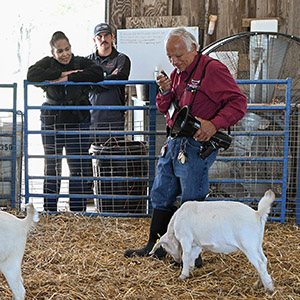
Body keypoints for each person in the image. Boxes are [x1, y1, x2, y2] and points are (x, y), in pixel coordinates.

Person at [124, 28, 247, 262]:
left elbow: (239, 103)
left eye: (178, 55)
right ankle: (157, 245)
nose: (174, 61)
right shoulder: (178, 73)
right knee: (162, 193)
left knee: (192, 200)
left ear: (194, 48)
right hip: (174, 142)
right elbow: (164, 108)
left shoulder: (212, 70)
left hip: (196, 145)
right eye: (170, 56)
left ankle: (192, 256)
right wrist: (165, 90)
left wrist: (214, 124)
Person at [26, 31, 104, 212]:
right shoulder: (48, 63)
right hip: (52, 121)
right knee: (52, 166)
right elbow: (32, 74)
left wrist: (69, 77)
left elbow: (98, 73)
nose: (64, 54)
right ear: (53, 53)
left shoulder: (81, 62)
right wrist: (61, 72)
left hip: (78, 119)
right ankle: (50, 211)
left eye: (67, 49)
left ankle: (77, 211)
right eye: (59, 51)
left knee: (77, 166)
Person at [86, 23, 131, 143]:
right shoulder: (87, 61)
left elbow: (121, 78)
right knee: (85, 158)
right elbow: (85, 83)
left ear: (112, 37)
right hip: (91, 117)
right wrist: (109, 77)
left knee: (112, 158)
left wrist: (95, 80)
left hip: (114, 118)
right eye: (99, 36)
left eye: (106, 35)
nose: (103, 39)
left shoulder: (122, 59)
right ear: (94, 40)